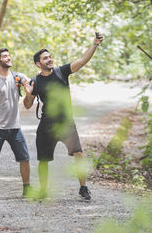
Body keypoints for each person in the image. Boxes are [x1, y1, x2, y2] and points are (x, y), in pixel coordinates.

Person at [23, 32, 104, 201]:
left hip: (67, 123)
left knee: (79, 154)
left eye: (50, 57)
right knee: (43, 161)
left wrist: (95, 44)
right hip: (46, 125)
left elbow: (82, 61)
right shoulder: (35, 81)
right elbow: (27, 105)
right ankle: (43, 190)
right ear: (38, 64)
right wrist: (29, 93)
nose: (50, 60)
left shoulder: (62, 72)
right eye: (45, 58)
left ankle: (83, 188)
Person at [0, 48, 32, 201]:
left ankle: (27, 189)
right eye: (5, 56)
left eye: (9, 55)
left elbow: (30, 82)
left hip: (15, 127)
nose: (9, 58)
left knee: (25, 158)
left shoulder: (17, 77)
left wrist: (29, 87)